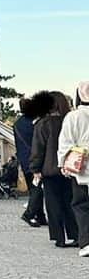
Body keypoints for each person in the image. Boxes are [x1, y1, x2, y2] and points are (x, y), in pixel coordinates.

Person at [29, 90, 77, 247]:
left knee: (53, 204)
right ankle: (76, 233)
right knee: (71, 202)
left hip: (50, 169)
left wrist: (35, 168)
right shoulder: (69, 121)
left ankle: (59, 237)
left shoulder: (43, 124)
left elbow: (38, 149)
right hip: (70, 168)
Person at [57, 81, 89, 257]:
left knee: (81, 204)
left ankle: (86, 242)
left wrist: (62, 163)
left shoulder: (73, 117)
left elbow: (65, 143)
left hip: (81, 165)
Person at [15, 96, 45, 224]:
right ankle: (29, 214)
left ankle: (40, 216)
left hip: (24, 160)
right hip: (34, 159)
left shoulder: (17, 123)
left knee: (33, 187)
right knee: (38, 189)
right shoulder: (34, 123)